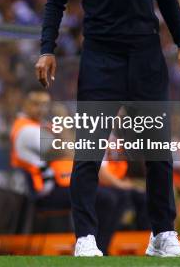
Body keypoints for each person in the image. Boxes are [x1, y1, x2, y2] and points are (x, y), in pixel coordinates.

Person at [35, 0, 180, 257]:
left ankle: (162, 234)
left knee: (158, 150)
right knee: (89, 150)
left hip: (146, 59)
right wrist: (47, 49)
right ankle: (85, 238)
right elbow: (55, 2)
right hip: (101, 61)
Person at [10, 88, 123, 252]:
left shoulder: (39, 126)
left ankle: (97, 248)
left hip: (59, 185)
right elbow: (68, 149)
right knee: (107, 199)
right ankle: (92, 248)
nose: (41, 109)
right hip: (45, 191)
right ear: (24, 104)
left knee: (115, 197)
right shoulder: (27, 130)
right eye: (36, 104)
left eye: (45, 105)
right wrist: (63, 119)